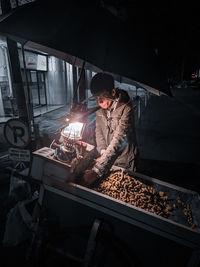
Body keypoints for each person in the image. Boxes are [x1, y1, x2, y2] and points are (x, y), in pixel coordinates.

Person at [83, 72, 138, 186]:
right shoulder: (100, 108)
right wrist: (103, 151)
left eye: (101, 97)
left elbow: (119, 140)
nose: (99, 101)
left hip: (125, 161)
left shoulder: (126, 108)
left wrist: (97, 170)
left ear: (113, 92)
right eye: (96, 97)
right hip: (106, 159)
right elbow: (99, 132)